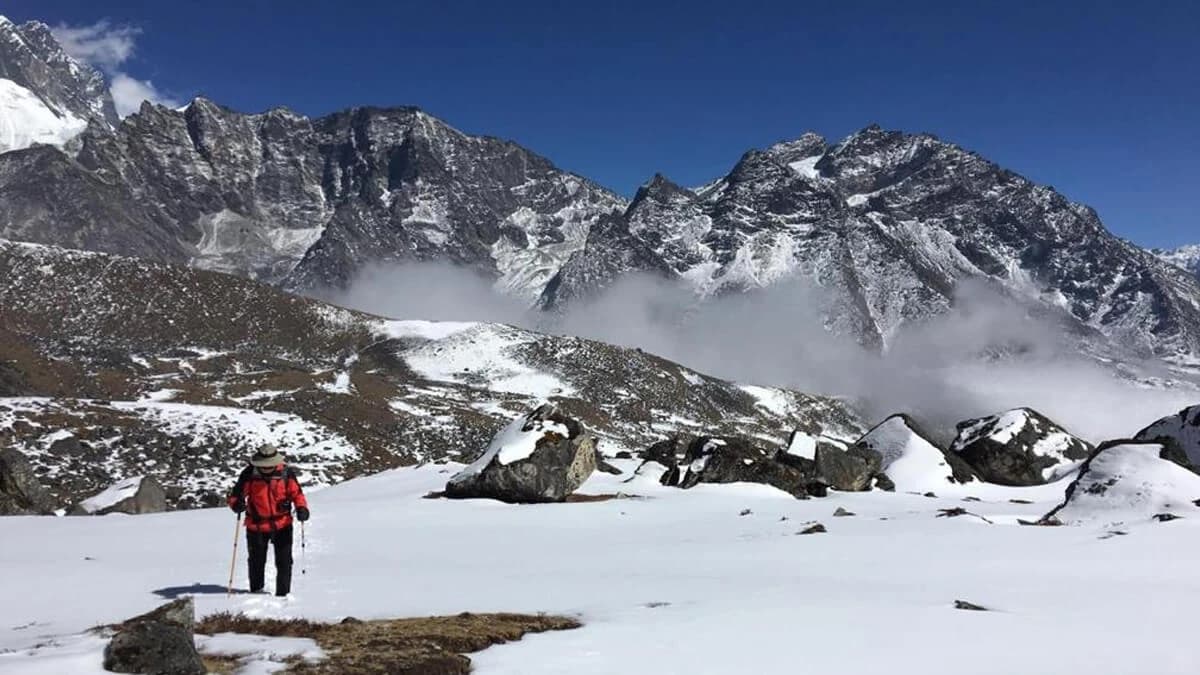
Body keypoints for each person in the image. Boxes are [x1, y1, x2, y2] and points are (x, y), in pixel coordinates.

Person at [226, 444, 310, 596]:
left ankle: (283, 594)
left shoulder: (286, 473)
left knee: (284, 562)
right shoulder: (249, 474)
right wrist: (236, 504)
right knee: (256, 561)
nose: (266, 469)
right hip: (256, 525)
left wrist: (301, 508)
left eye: (269, 466)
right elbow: (235, 496)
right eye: (263, 466)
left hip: (283, 523)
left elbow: (297, 494)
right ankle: (256, 591)